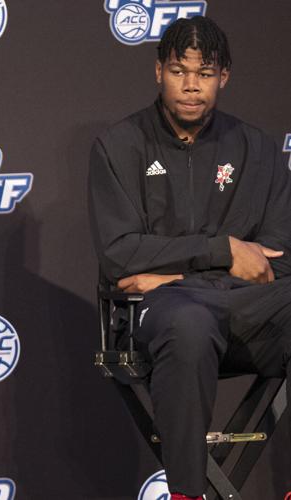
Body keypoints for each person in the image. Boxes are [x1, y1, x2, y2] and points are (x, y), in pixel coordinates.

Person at [88, 16, 291, 500]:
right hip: (162, 317)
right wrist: (223, 252)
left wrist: (172, 274)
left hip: (244, 311)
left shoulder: (259, 150)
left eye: (205, 73)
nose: (192, 86)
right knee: (189, 321)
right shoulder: (118, 146)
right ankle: (186, 493)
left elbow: (280, 261)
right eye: (180, 71)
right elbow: (119, 255)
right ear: (159, 71)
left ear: (224, 77)